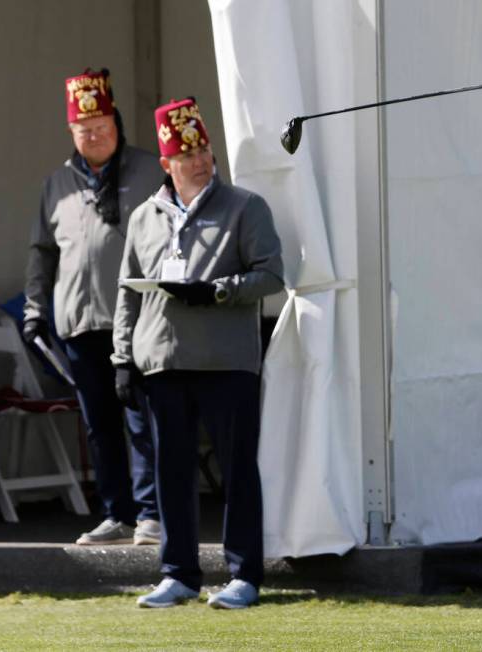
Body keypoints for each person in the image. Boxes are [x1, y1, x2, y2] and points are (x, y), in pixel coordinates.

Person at [113, 97, 284, 609]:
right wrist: (122, 358)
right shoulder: (145, 216)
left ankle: (244, 573)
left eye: (205, 151)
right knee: (172, 472)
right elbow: (126, 292)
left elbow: (271, 275)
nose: (201, 162)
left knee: (237, 470)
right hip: (163, 363)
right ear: (167, 164)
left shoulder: (244, 207)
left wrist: (217, 290)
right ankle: (179, 573)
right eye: (188, 156)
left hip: (227, 361)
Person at [24, 68, 163, 546]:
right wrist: (34, 309)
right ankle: (117, 513)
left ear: (117, 124)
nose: (96, 135)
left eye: (103, 126)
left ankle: (151, 514)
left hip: (140, 320)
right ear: (72, 133)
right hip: (79, 323)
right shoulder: (56, 184)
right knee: (99, 426)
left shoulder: (151, 170)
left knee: (142, 419)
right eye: (86, 130)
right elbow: (43, 251)